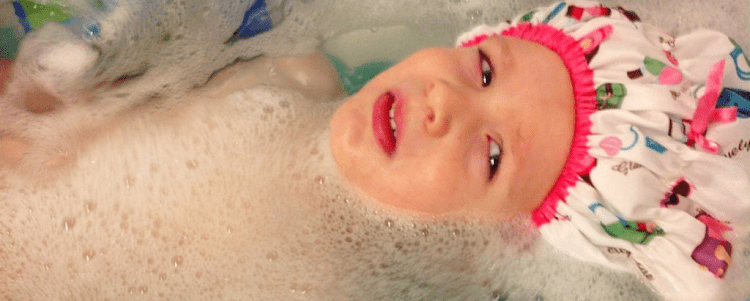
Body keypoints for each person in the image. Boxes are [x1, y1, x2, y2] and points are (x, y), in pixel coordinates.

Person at [1, 1, 749, 300]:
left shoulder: (336, 283)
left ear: (516, 233)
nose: (446, 104)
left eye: (493, 156)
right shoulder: (288, 77)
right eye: (484, 70)